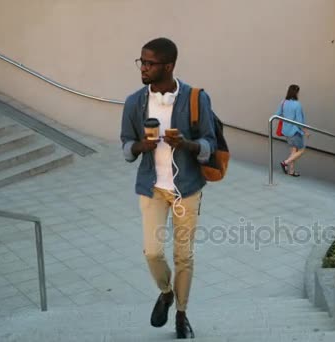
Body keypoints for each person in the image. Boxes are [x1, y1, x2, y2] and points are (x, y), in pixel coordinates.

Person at [120, 37, 217, 339]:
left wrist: (186, 144)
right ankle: (165, 292)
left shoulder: (195, 98)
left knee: (184, 257)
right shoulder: (134, 101)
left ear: (169, 66)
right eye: (142, 62)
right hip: (152, 188)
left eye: (149, 63)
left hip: (187, 188)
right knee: (152, 252)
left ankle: (181, 315)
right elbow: (125, 145)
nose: (143, 68)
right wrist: (140, 146)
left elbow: (210, 143)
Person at [276, 84, 309, 177]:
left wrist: (287, 119)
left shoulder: (283, 102)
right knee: (302, 150)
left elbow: (277, 114)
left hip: (286, 131)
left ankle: (291, 171)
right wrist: (306, 131)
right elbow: (299, 122)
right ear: (296, 92)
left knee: (293, 151)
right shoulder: (297, 105)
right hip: (295, 132)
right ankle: (285, 162)